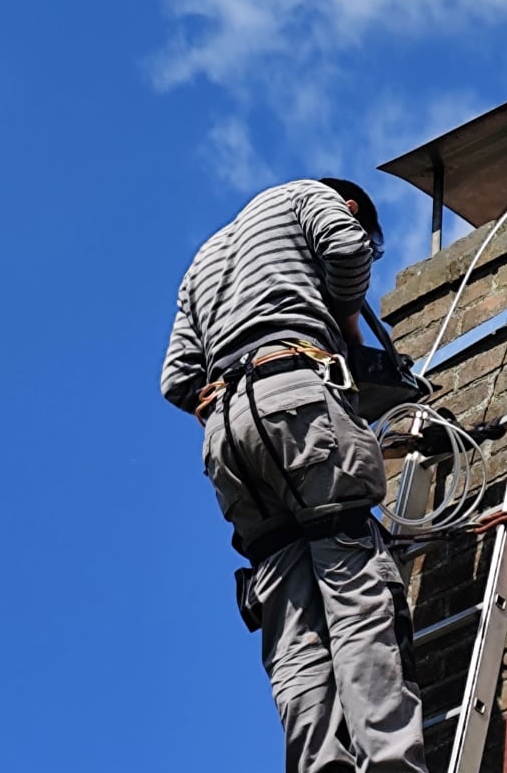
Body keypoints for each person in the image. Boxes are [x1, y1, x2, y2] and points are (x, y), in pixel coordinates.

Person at [161, 176, 429, 773]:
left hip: (227, 440)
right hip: (298, 400)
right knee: (356, 583)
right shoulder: (310, 195)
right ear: (355, 206)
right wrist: (341, 320)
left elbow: (177, 379)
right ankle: (390, 763)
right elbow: (346, 251)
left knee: (293, 618)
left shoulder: (205, 257)